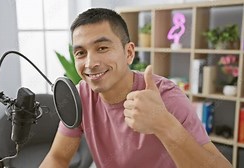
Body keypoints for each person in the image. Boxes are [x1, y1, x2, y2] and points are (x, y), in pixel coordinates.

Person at [40, 8, 232, 168]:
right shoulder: (81, 95)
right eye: (81, 53)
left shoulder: (167, 96)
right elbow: (58, 157)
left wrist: (164, 124)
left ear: (129, 53)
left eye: (102, 48)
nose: (90, 63)